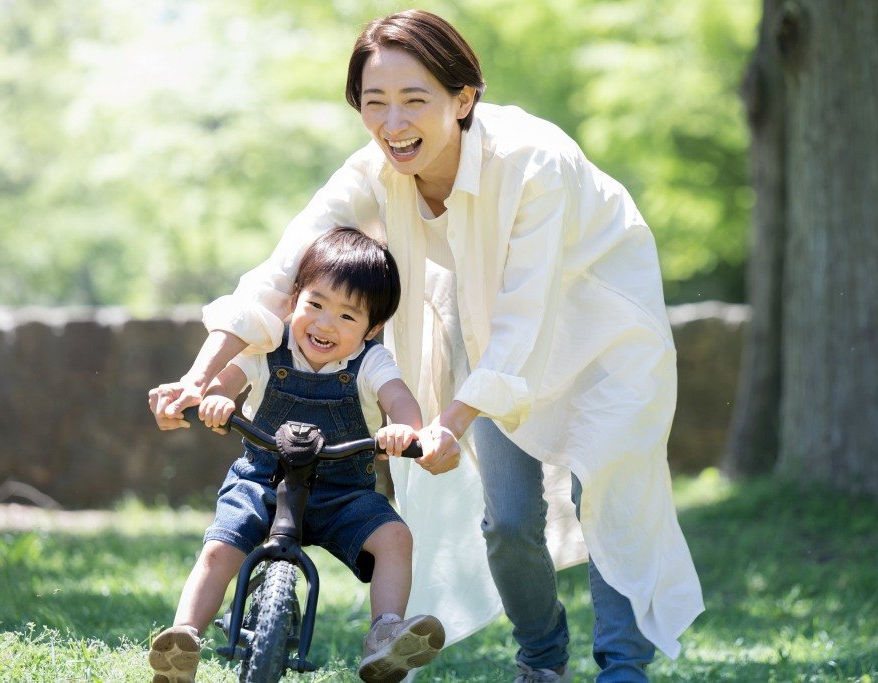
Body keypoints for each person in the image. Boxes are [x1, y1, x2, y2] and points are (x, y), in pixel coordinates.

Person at [150, 9, 703, 682]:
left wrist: (453, 420)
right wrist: (199, 375)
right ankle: (542, 656)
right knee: (506, 520)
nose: (393, 123)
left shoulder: (534, 164)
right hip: (495, 336)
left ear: (463, 98)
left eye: (415, 100)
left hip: (603, 331)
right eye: (374, 103)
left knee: (611, 496)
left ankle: (623, 669)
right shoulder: (372, 173)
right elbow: (282, 273)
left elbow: (527, 315)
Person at [147, 227, 445, 683]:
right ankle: (184, 637)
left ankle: (385, 634)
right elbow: (226, 380)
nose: (325, 325)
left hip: (341, 494)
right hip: (261, 481)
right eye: (316, 304)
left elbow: (398, 397)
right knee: (219, 549)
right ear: (293, 299)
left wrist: (406, 429)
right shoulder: (268, 348)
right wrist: (216, 400)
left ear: (373, 327)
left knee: (394, 538)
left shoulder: (371, 363)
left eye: (348, 316)